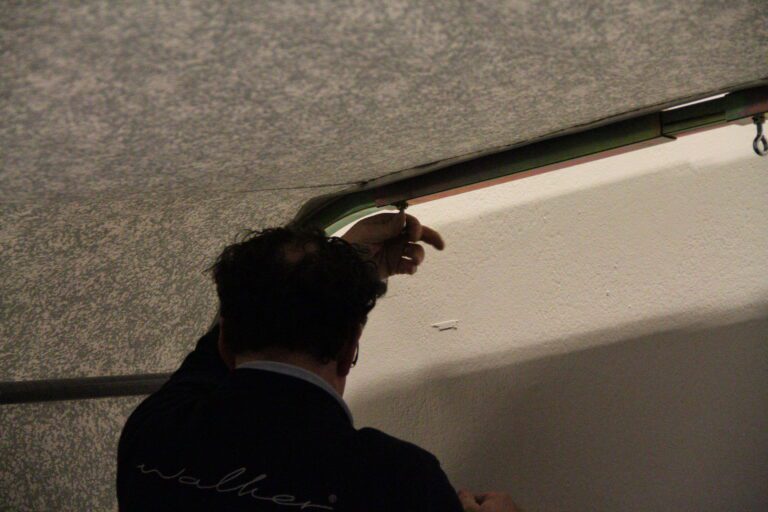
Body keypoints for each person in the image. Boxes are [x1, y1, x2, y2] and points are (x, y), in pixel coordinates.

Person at [117, 211, 519, 511]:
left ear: (225, 340)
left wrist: (349, 262)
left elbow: (218, 348)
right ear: (348, 351)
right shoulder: (399, 480)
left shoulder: (155, 431)